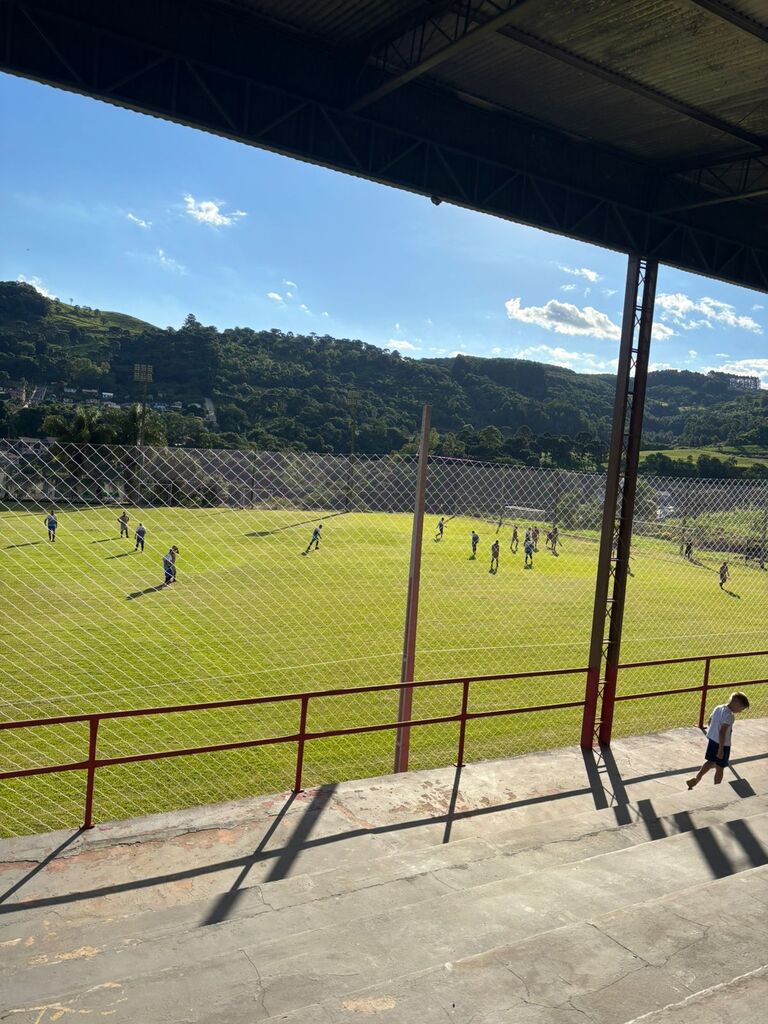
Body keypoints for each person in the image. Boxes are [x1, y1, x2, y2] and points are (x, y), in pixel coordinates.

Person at [687, 692, 750, 789]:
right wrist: (721, 749)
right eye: (741, 708)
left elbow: (710, 720)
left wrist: (712, 732)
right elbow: (722, 732)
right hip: (723, 745)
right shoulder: (729, 716)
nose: (741, 711)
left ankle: (697, 779)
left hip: (712, 740)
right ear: (735, 703)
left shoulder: (718, 708)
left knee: (710, 761)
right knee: (720, 767)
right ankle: (717, 788)